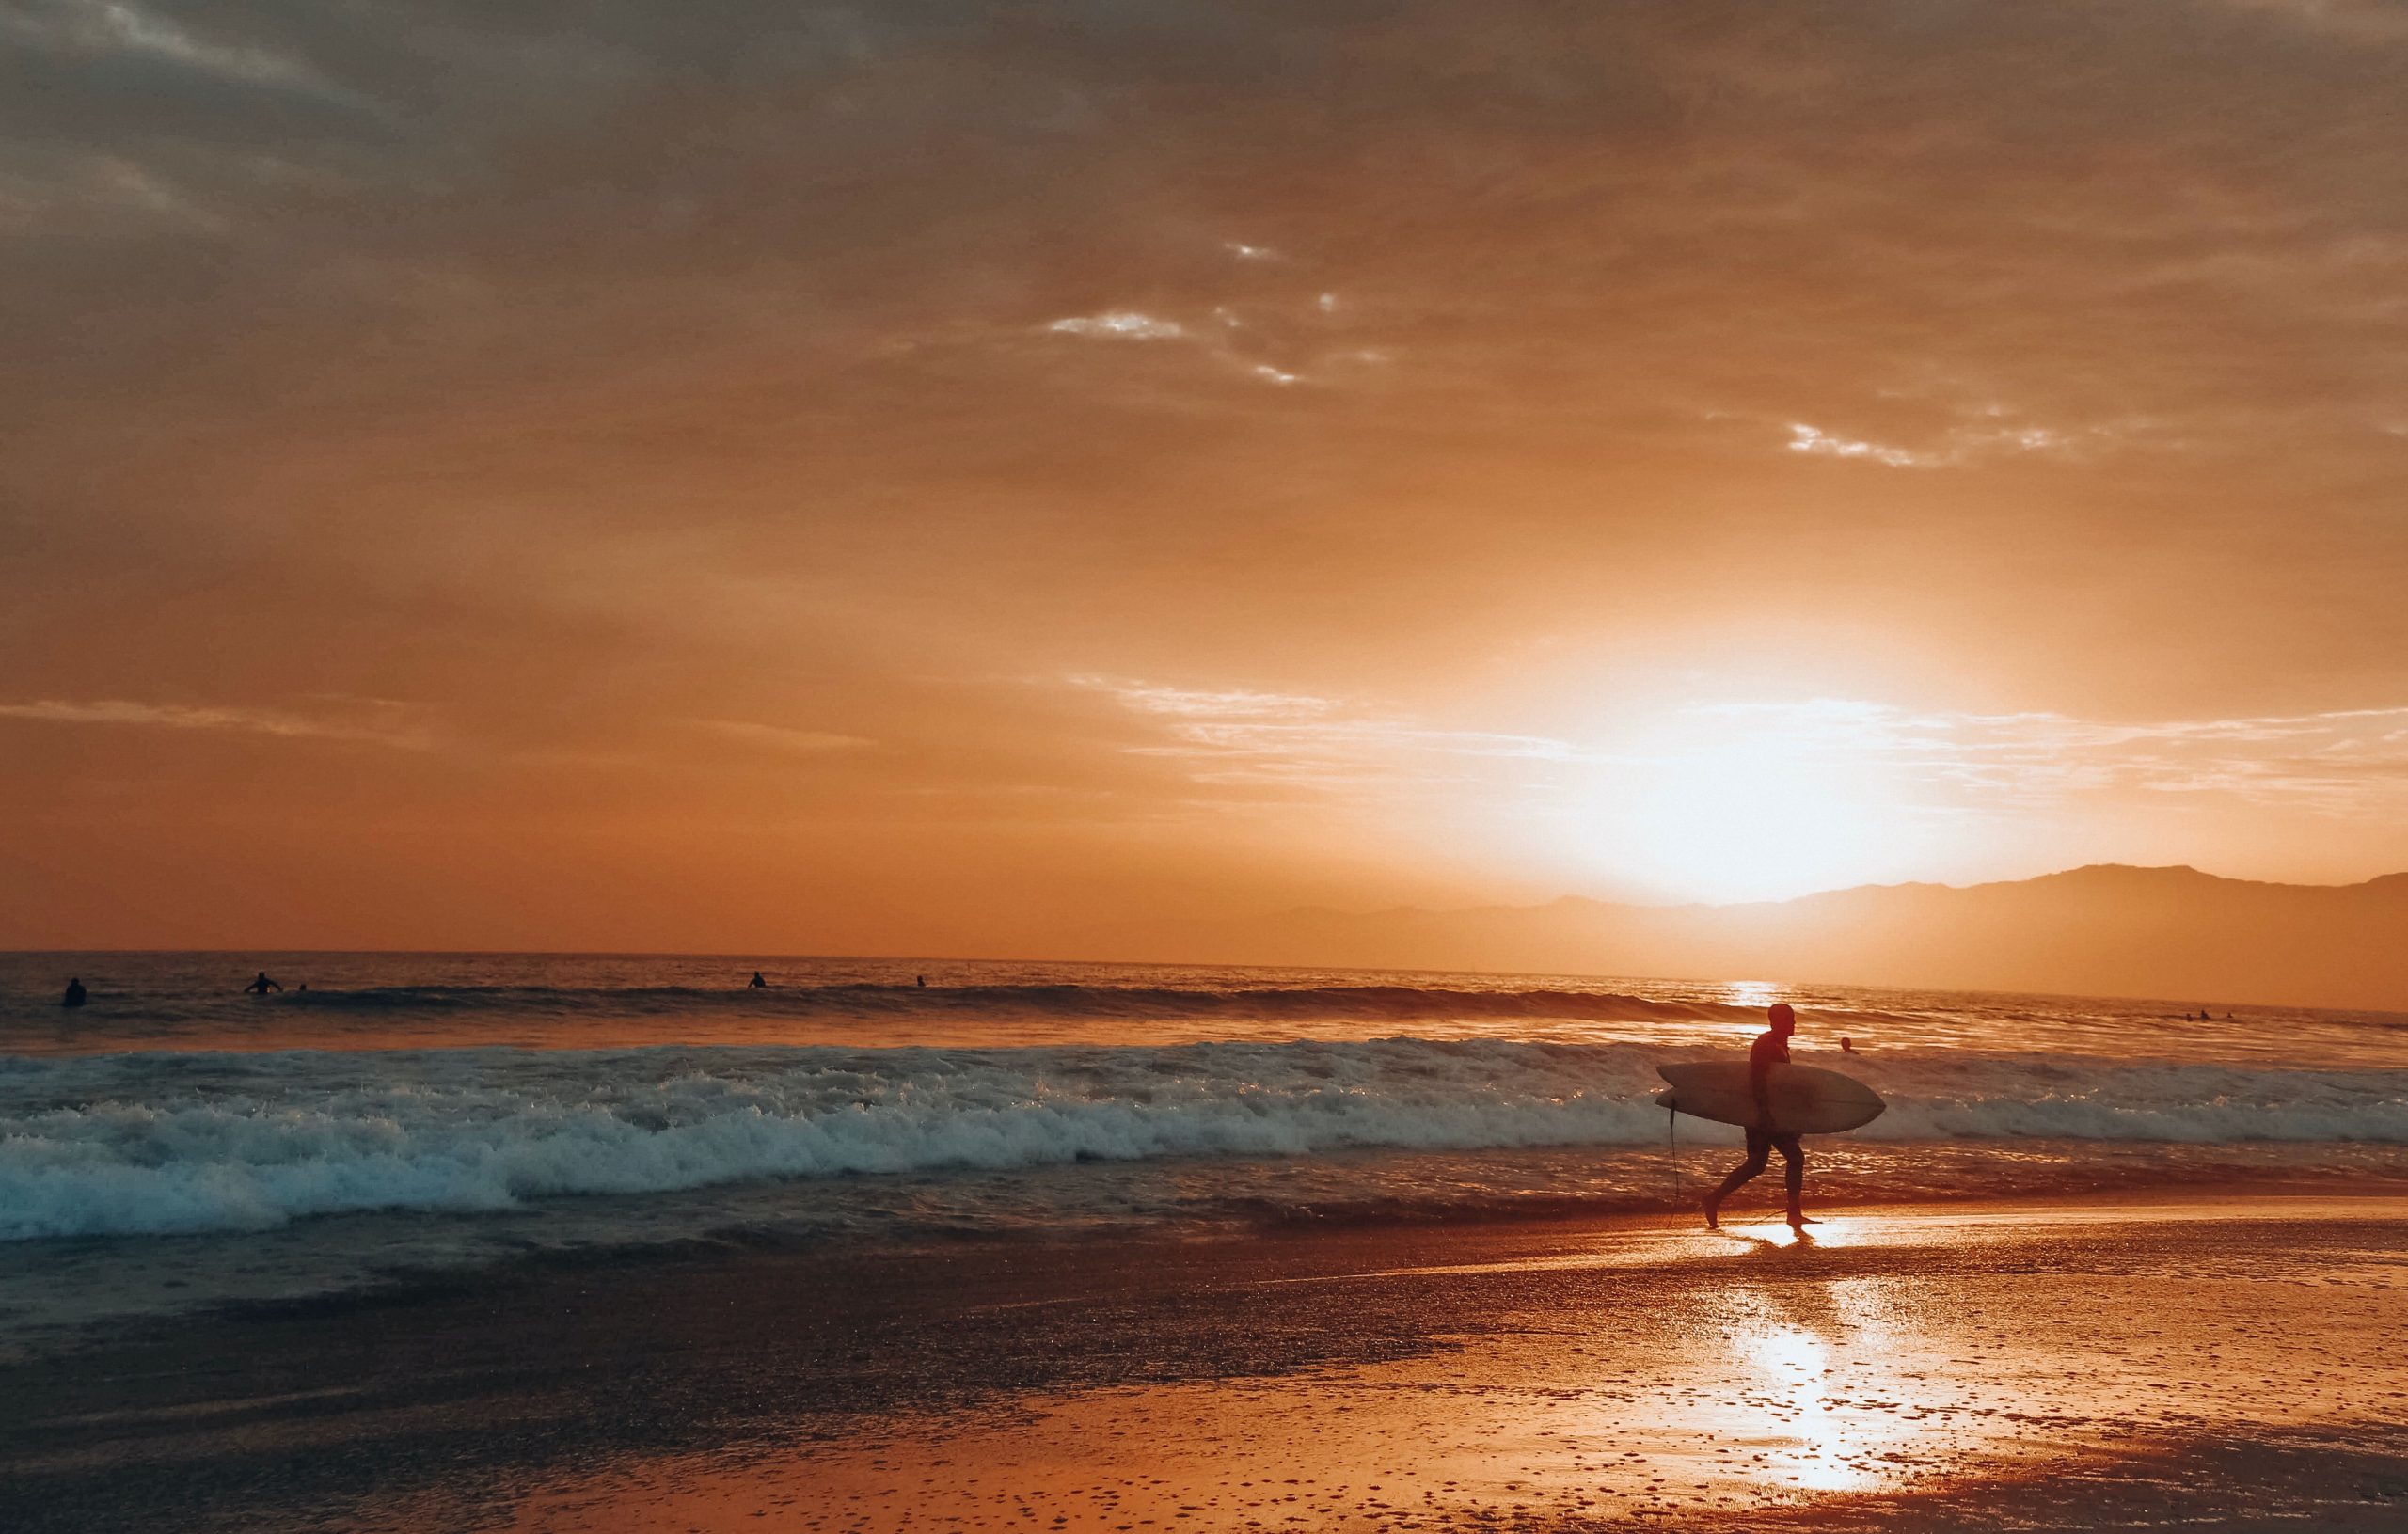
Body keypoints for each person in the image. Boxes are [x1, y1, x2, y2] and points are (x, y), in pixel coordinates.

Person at [1704, 1002, 1813, 1231]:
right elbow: (1757, 1081)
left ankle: (1713, 1199)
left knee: (1757, 1164)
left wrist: (1792, 1116)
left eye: (1793, 1018)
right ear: (1776, 1021)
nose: (1794, 1023)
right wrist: (1764, 1115)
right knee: (1793, 1158)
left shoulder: (1780, 1043)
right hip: (1761, 1114)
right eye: (1789, 1019)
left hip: (1769, 1113)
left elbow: (1778, 1084)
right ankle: (1793, 1213)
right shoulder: (1765, 1044)